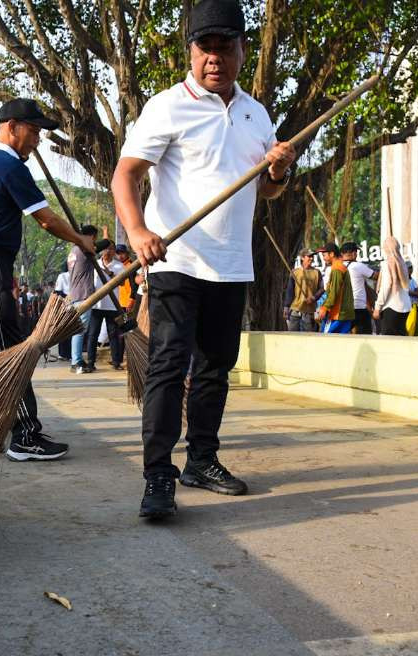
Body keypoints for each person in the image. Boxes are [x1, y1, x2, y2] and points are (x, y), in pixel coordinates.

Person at [111, 0, 296, 519]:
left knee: (216, 368)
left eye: (224, 46)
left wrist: (278, 171)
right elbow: (125, 175)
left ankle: (202, 460)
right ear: (191, 52)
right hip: (176, 259)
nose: (213, 57)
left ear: (242, 49)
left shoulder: (257, 113)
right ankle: (157, 478)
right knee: (168, 367)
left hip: (233, 264)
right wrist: (138, 230)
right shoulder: (168, 106)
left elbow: (270, 191)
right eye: (204, 48)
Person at [0, 98, 94, 461]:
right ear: (12, 126)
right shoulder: (6, 164)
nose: (36, 141)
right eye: (33, 132)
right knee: (6, 349)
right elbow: (46, 219)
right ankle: (24, 435)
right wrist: (80, 240)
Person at [86, 240, 124, 371]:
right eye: (106, 249)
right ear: (102, 251)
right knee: (92, 334)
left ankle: (116, 362)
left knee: (113, 334)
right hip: (97, 305)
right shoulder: (94, 263)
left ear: (114, 251)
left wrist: (109, 272)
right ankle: (90, 362)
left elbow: (122, 283)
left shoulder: (119, 266)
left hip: (112, 305)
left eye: (111, 249)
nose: (108, 251)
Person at [68, 225, 99, 373]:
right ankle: (76, 361)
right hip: (83, 294)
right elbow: (103, 245)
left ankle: (77, 359)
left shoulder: (73, 250)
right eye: (94, 238)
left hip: (76, 294)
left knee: (78, 329)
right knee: (80, 330)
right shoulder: (83, 249)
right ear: (91, 237)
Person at [371, 236, 413, 336]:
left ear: (386, 248)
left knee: (388, 339)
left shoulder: (387, 264)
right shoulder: (402, 263)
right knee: (402, 336)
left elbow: (386, 286)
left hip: (391, 306)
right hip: (405, 306)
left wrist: (378, 307)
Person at [315, 243, 355, 333]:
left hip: (337, 314)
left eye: (324, 255)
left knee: (325, 341)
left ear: (332, 254)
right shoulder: (340, 266)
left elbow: (333, 292)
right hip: (344, 313)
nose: (323, 258)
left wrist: (325, 308)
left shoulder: (337, 268)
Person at [340, 242, 376, 334]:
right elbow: (376, 276)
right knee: (364, 335)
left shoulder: (336, 267)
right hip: (358, 307)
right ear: (353, 253)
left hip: (343, 308)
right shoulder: (358, 266)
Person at [285, 248, 323, 332]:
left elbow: (321, 289)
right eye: (309, 256)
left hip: (309, 310)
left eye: (312, 256)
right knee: (292, 334)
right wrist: (286, 307)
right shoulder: (294, 272)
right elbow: (289, 291)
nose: (311, 258)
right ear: (302, 257)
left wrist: (313, 298)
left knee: (309, 335)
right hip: (295, 309)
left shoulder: (317, 272)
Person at [53, 264, 73, 361]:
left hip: (69, 305)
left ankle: (65, 354)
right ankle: (66, 354)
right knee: (68, 330)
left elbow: (57, 292)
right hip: (68, 305)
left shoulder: (64, 275)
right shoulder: (64, 276)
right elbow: (58, 292)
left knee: (66, 330)